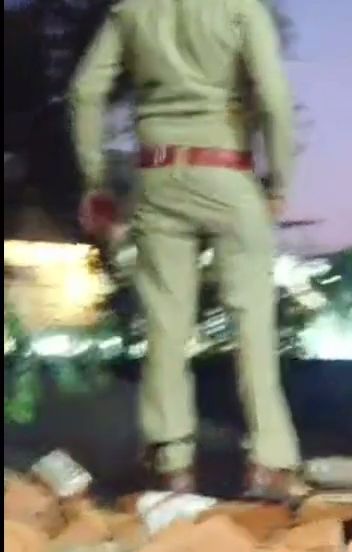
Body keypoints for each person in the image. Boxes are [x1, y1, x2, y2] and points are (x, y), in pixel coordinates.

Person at [70, 0, 308, 498]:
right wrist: (279, 180)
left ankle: (172, 463)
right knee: (252, 320)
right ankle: (269, 460)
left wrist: (95, 179)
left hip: (158, 176)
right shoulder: (242, 9)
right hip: (227, 172)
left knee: (166, 325)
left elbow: (85, 91)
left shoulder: (130, 10)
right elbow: (273, 97)